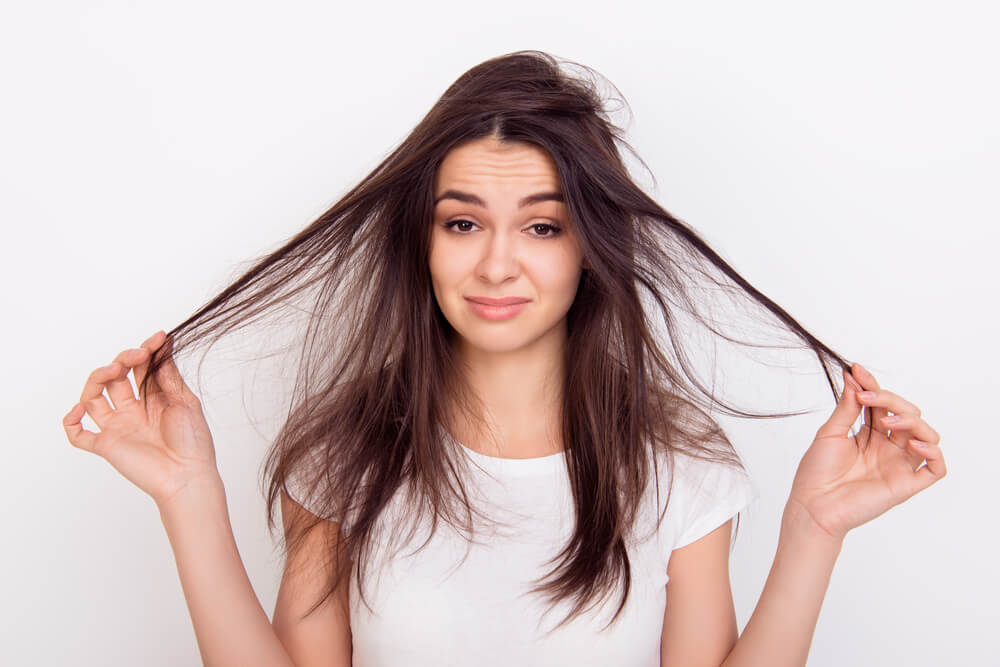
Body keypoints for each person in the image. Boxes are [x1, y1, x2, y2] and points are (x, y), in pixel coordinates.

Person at [62, 50, 945, 667]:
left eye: (541, 225)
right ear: (424, 241)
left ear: (589, 246)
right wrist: (189, 497)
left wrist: (813, 530)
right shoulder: (343, 455)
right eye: (462, 222)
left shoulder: (679, 465)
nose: (495, 263)